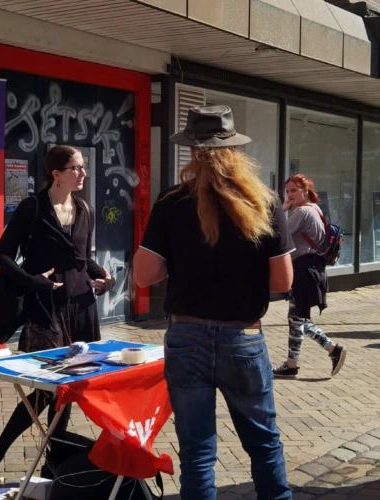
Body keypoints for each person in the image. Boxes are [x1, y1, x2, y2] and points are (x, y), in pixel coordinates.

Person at [133, 105, 294, 499]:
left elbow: (143, 275)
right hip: (242, 337)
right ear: (236, 150)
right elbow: (283, 280)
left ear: (191, 151)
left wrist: (183, 262)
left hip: (186, 335)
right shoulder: (264, 201)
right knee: (263, 443)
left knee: (197, 452)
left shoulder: (171, 202)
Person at [0, 145, 114, 492]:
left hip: (80, 308)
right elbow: (1, 256)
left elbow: (82, 260)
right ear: (57, 174)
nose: (83, 174)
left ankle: (54, 464)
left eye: (83, 167)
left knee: (68, 392)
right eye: (76, 168)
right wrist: (34, 282)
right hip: (45, 311)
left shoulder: (85, 210)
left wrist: (105, 278)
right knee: (42, 394)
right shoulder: (33, 208)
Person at [272, 174, 346, 379]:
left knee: (298, 319)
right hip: (310, 270)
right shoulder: (315, 208)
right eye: (287, 191)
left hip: (303, 271)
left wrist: (283, 209)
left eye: (294, 190)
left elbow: (279, 236)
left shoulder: (303, 212)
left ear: (305, 191)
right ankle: (291, 364)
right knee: (298, 318)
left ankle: (332, 349)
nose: (290, 194)